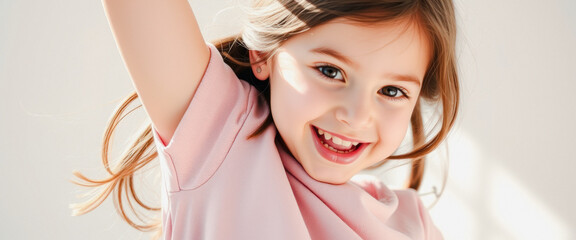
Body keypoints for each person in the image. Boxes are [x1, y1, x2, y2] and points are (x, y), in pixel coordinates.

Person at [73, 0, 459, 239]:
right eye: (329, 70)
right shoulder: (223, 146)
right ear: (264, 54)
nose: (356, 116)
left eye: (392, 91)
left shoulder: (412, 223)